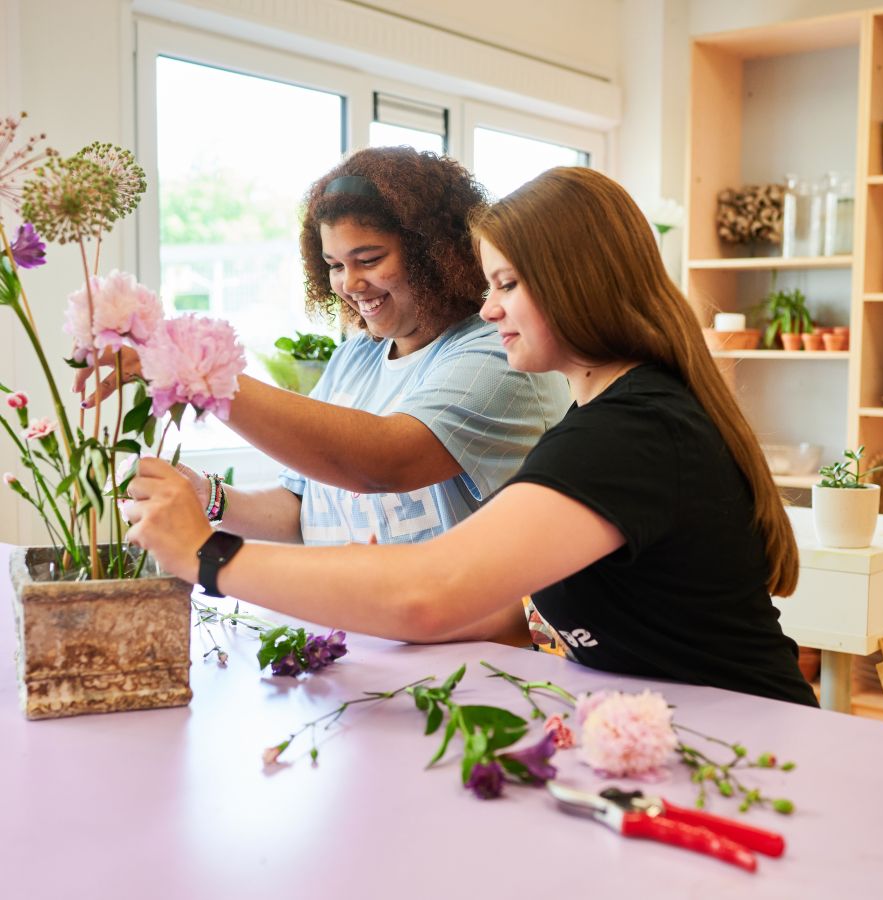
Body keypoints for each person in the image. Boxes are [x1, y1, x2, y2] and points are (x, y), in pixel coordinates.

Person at [124, 166, 819, 707]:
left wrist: (207, 555)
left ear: (578, 283)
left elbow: (431, 586)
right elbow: (473, 602)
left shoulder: (632, 431)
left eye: (508, 284)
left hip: (752, 737)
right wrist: (369, 589)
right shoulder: (604, 419)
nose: (488, 309)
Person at [78, 147, 570, 547]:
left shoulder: (498, 355)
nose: (350, 284)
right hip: (356, 643)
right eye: (334, 265)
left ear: (433, 256)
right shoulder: (354, 357)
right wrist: (206, 496)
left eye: (368, 259)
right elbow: (303, 511)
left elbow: (383, 461)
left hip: (465, 656)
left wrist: (194, 372)